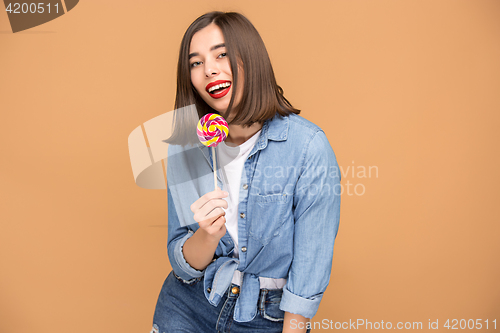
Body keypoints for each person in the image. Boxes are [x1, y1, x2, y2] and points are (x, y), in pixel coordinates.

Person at [151, 11, 341, 333]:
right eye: (195, 63)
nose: (208, 69)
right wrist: (207, 235)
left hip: (266, 318)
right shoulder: (185, 146)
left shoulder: (307, 147)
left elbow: (310, 266)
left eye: (221, 54)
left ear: (250, 58)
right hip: (188, 306)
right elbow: (183, 265)